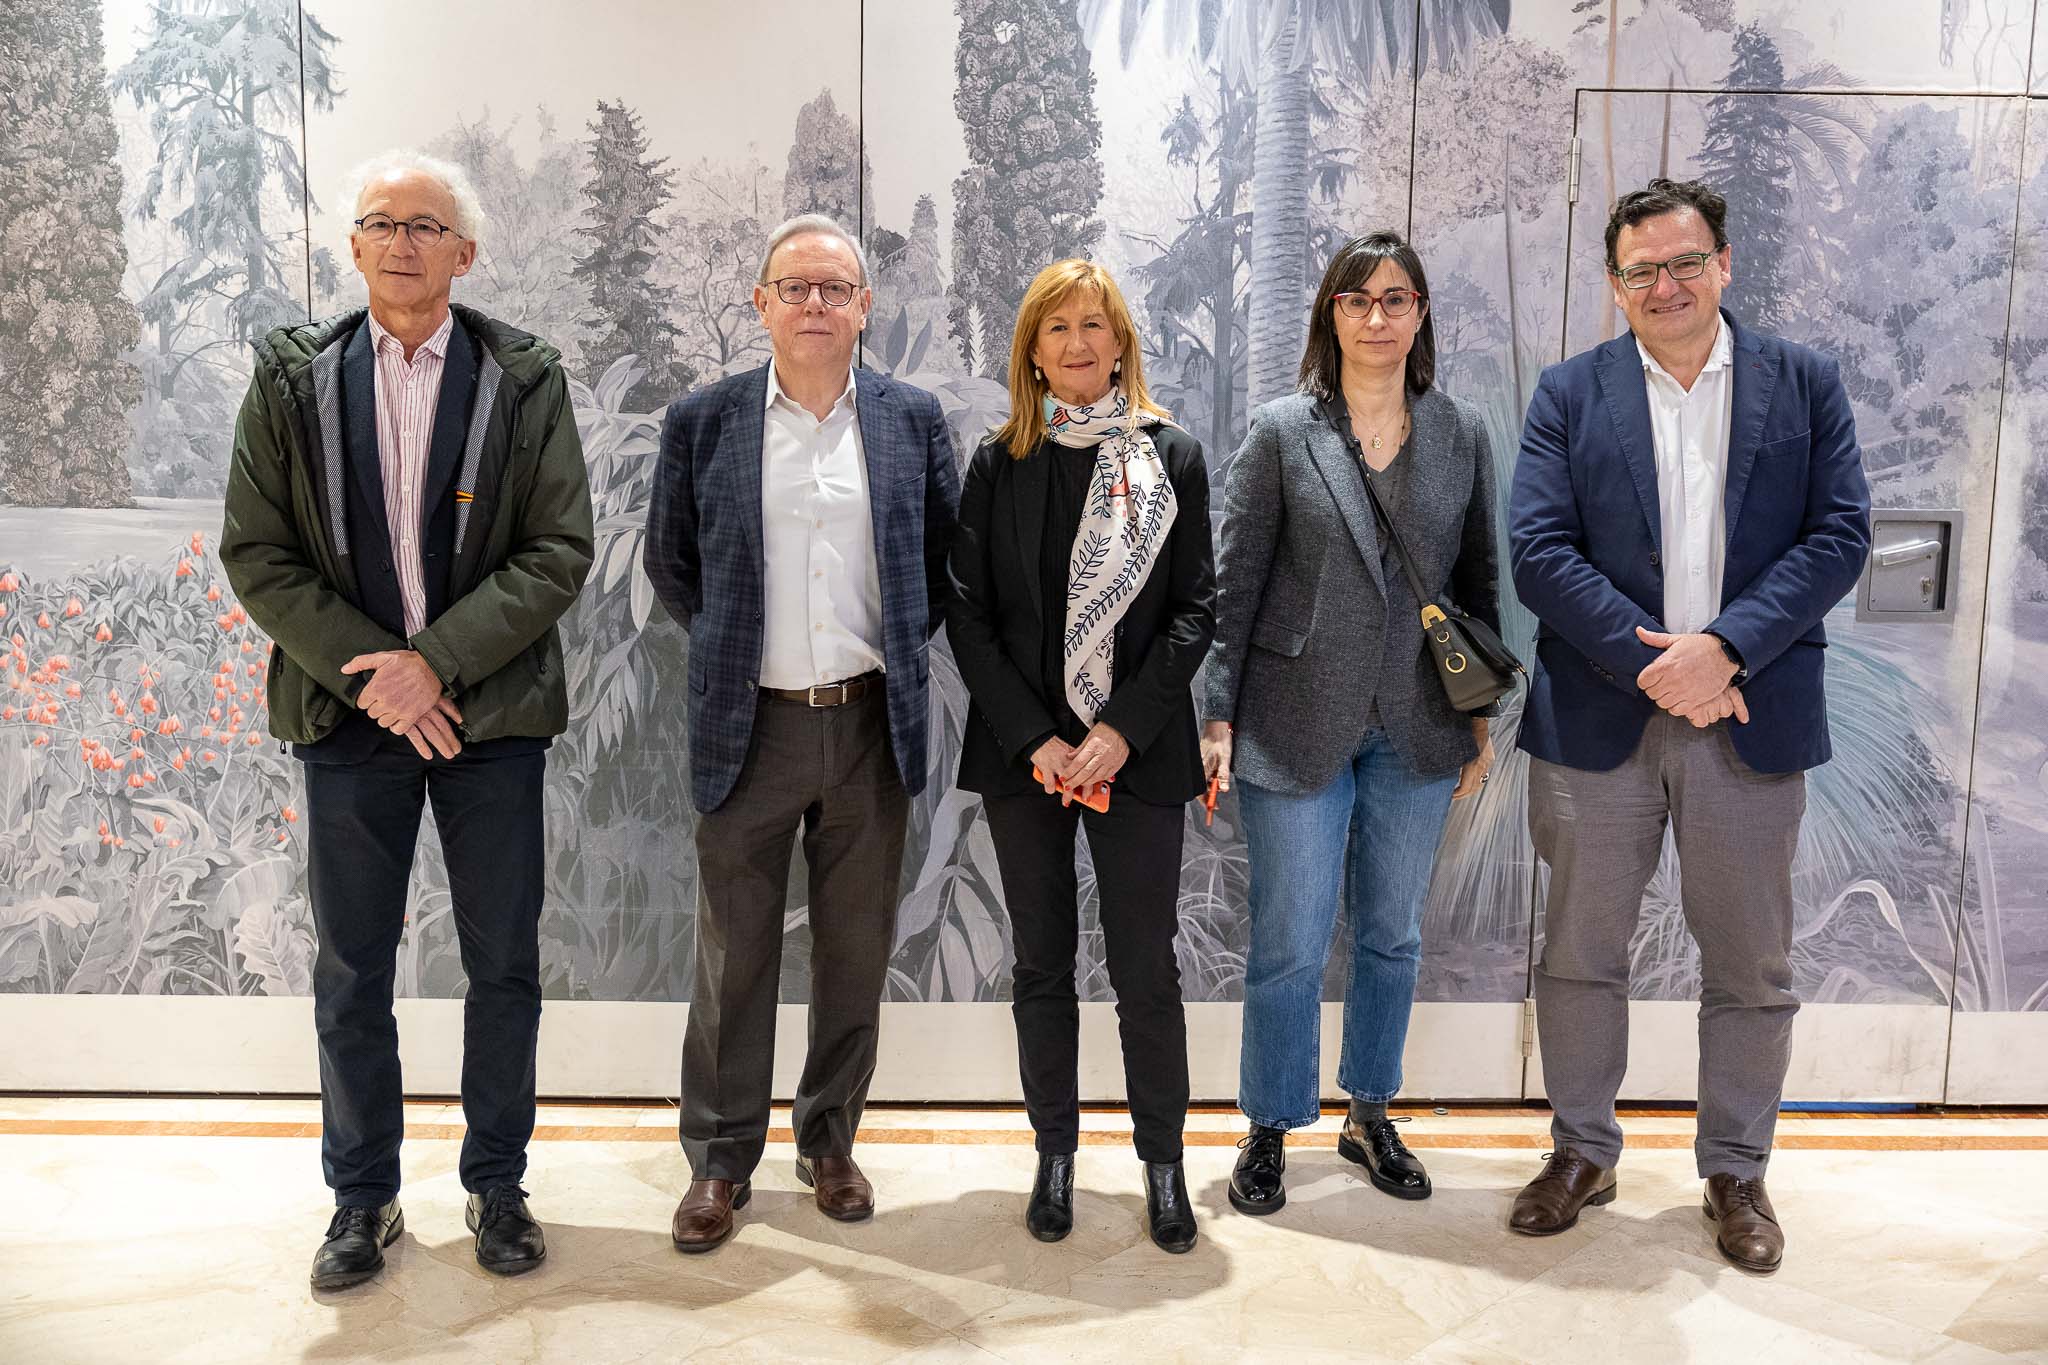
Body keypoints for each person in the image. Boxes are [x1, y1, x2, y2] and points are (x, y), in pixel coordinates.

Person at [220, 151, 594, 1290]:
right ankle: (362, 1200)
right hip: (345, 721)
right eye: (379, 223)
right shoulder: (292, 379)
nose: (400, 242)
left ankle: (497, 1186)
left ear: (464, 252)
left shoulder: (522, 378)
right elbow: (258, 553)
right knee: (350, 972)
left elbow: (557, 549)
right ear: (354, 249)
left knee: (502, 966)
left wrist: (433, 666)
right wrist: (373, 675)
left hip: (494, 719)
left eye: (425, 224)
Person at [1505, 177, 1871, 1271]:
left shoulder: (1800, 383)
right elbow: (1537, 550)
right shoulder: (1569, 392)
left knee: (1748, 962)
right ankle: (1580, 1151)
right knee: (1577, 951)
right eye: (1639, 270)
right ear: (1612, 284)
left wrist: (1724, 649)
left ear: (1721, 263)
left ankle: (1735, 1172)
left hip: (1747, 711)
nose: (1663, 285)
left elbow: (1838, 535)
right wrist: (1655, 667)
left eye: (1683, 262)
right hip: (1596, 720)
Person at [644, 213, 960, 1252]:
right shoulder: (703, 422)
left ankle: (828, 1142)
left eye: (835, 288)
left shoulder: (912, 422)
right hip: (751, 725)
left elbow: (940, 567)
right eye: (795, 287)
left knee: (853, 950)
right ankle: (720, 1163)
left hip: (870, 723)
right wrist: (744, 653)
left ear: (866, 306)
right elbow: (673, 567)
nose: (815, 305)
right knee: (733, 957)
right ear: (761, 304)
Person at [1203, 231, 1502, 1217]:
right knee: (1287, 940)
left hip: (1416, 727)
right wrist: (1214, 713)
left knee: (1390, 936)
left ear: (1419, 316)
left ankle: (1369, 1111)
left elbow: (1474, 589)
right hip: (1291, 728)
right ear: (1328, 315)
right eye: (1356, 300)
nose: (1376, 317)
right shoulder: (1282, 432)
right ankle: (1268, 1124)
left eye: (1395, 299)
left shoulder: (1458, 434)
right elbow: (1233, 586)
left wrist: (1477, 721)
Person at [946, 259, 1216, 1253]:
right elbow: (968, 619)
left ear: (1119, 344)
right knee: (1040, 965)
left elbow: (1195, 611)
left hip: (1134, 756)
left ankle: (1162, 1166)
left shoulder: (1169, 457)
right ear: (1030, 345)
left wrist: (1114, 734)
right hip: (1029, 761)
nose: (1075, 344)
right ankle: (1053, 1155)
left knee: (1146, 967)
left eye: (1092, 326)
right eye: (1055, 327)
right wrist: (1044, 742)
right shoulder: (998, 461)